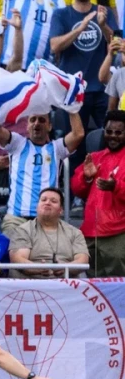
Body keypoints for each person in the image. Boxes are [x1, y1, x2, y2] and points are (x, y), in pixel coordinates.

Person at [0, 112, 84, 235]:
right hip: (16, 219)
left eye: (41, 120)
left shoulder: (57, 148)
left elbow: (78, 134)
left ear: (49, 126)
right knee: (15, 252)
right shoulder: (17, 143)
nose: (36, 123)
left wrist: (72, 108)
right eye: (33, 119)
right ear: (27, 125)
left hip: (46, 220)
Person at [72, 111, 125, 276]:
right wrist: (86, 178)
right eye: (109, 131)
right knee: (95, 290)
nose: (113, 136)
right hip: (90, 232)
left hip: (118, 233)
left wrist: (115, 186)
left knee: (119, 289)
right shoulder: (94, 157)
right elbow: (76, 189)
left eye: (118, 132)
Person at [9, 187, 90, 278]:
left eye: (53, 201)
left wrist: (65, 268)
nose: (47, 203)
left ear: (61, 210)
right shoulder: (23, 230)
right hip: (30, 286)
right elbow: (18, 259)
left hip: (66, 286)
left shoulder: (75, 233)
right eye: (43, 200)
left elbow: (83, 260)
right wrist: (40, 268)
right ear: (37, 206)